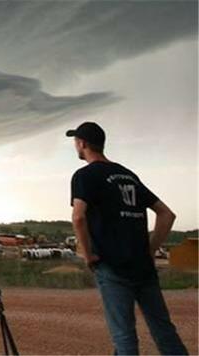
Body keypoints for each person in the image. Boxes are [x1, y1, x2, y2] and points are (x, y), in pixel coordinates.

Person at [66, 122, 188, 355]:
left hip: (112, 268)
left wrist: (88, 254)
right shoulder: (128, 175)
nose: (76, 146)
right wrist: (150, 251)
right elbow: (167, 214)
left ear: (82, 143)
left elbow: (79, 217)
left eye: (76, 142)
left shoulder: (85, 175)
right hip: (143, 268)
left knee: (124, 338)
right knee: (164, 331)